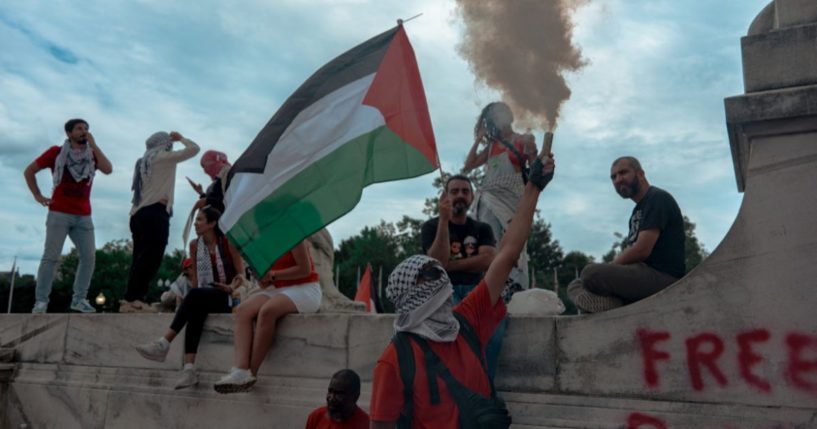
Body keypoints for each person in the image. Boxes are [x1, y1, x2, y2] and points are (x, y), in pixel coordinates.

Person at [369, 148, 555, 429]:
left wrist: (533, 187)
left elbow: (506, 254)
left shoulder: (466, 320)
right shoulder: (395, 360)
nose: (439, 278)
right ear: (407, 297)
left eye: (438, 276)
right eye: (429, 277)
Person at [133, 206, 245, 390]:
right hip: (205, 294)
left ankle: (164, 343)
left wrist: (231, 287)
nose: (195, 223)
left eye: (200, 219)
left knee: (195, 299)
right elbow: (196, 282)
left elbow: (241, 276)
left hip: (229, 297)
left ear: (212, 223)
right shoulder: (195, 245)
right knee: (194, 309)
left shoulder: (228, 243)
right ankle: (189, 370)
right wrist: (191, 300)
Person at [567, 156, 685, 313]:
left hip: (663, 276)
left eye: (623, 173)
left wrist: (610, 267)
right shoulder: (637, 212)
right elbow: (632, 252)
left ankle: (614, 303)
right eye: (613, 177)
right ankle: (610, 303)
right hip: (641, 275)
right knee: (576, 284)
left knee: (591, 273)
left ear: (641, 174)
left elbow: (642, 250)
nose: (617, 180)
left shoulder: (657, 198)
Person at [23, 118, 113, 313]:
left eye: (86, 128)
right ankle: (41, 302)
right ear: (69, 133)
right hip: (59, 212)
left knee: (89, 257)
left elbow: (108, 169)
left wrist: (95, 145)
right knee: (51, 257)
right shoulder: (56, 153)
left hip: (83, 214)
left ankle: (79, 299)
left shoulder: (92, 154)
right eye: (79, 128)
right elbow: (29, 171)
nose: (84, 131)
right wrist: (37, 195)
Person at [213, 239, 322, 393]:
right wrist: (258, 272)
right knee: (243, 310)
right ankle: (240, 369)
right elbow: (265, 284)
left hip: (306, 288)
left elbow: (305, 270)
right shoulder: (261, 243)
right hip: (279, 289)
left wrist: (272, 275)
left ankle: (251, 373)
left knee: (267, 311)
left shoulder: (294, 235)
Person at [420, 175, 503, 378]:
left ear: (472, 197)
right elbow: (437, 263)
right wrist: (443, 221)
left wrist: (451, 265)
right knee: (451, 337)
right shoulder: (431, 227)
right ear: (444, 196)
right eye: (454, 191)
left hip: (476, 291)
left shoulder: (482, 228)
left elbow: (488, 260)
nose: (460, 196)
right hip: (443, 293)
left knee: (494, 333)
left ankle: (485, 389)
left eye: (465, 191)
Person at [121, 131, 200, 313]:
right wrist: (181, 138)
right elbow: (194, 149)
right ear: (164, 144)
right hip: (154, 213)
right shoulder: (162, 157)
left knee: (140, 258)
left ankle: (132, 299)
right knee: (151, 257)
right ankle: (133, 298)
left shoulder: (143, 162)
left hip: (138, 215)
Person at [464, 101, 537, 293]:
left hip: (514, 198)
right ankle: (493, 286)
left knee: (516, 243)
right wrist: (478, 140)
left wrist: (534, 151)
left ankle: (516, 286)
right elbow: (469, 164)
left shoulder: (523, 140)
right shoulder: (490, 147)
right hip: (490, 198)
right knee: (491, 242)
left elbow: (535, 169)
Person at [304, 369, 369, 429]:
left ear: (355, 396)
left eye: (339, 394)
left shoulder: (367, 425)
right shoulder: (316, 417)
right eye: (330, 391)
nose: (331, 398)